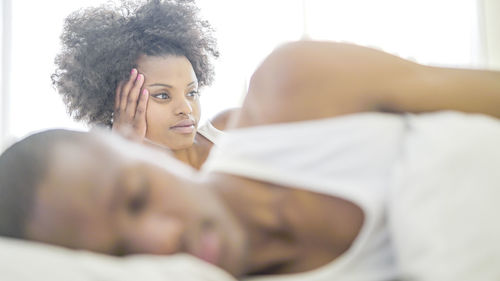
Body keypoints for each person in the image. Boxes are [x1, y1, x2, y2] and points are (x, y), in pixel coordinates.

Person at [1, 41, 500, 279]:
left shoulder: (296, 89)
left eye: (136, 197)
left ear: (135, 152)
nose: (162, 240)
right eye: (121, 256)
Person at [52, 0, 234, 169]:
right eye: (163, 95)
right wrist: (123, 150)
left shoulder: (233, 127)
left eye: (192, 93)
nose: (186, 108)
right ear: (117, 103)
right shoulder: (122, 179)